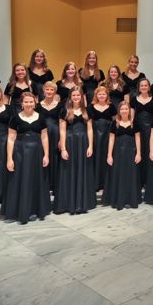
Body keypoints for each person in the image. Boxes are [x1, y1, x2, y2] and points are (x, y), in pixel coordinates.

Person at [2, 92, 50, 224]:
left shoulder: (41, 117)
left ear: (35, 103)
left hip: (36, 153)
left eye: (31, 102)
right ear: (22, 103)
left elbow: (44, 137)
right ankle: (19, 211)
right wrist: (9, 158)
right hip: (20, 153)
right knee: (20, 181)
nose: (29, 104)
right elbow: (11, 139)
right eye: (26, 102)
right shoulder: (15, 118)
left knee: (35, 180)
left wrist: (46, 154)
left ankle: (34, 210)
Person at [53, 86, 96, 214]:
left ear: (82, 96)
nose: (76, 97)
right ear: (70, 97)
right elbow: (62, 130)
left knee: (83, 170)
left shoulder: (87, 110)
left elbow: (90, 129)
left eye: (78, 95)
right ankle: (68, 203)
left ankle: (82, 203)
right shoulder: (64, 110)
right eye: (74, 95)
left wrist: (90, 146)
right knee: (69, 171)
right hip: (70, 143)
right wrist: (64, 148)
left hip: (83, 143)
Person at [104, 101, 141, 210]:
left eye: (126, 109)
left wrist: (138, 153)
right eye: (122, 109)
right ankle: (118, 199)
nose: (124, 111)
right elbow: (111, 139)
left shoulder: (134, 122)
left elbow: (138, 138)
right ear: (119, 111)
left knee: (131, 174)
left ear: (129, 110)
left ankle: (131, 199)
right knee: (118, 174)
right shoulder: (114, 123)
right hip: (118, 152)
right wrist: (109, 155)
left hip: (131, 152)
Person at [88, 86, 117, 191]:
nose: (101, 96)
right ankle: (96, 183)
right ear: (96, 95)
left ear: (107, 95)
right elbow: (89, 122)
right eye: (99, 94)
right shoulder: (90, 107)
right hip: (95, 134)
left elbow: (115, 121)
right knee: (96, 156)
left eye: (104, 94)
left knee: (107, 155)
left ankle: (106, 182)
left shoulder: (112, 106)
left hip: (108, 134)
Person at [131, 78, 153, 187]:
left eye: (146, 85)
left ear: (148, 87)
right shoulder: (134, 99)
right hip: (138, 129)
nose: (143, 87)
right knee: (138, 152)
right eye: (141, 85)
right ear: (139, 87)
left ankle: (149, 180)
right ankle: (138, 180)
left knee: (149, 152)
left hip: (150, 129)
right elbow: (132, 117)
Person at [36, 81, 62, 192]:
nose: (49, 91)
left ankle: (55, 184)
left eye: (52, 90)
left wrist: (61, 138)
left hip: (56, 133)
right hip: (42, 134)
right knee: (43, 156)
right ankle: (44, 185)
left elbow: (62, 122)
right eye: (47, 89)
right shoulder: (37, 105)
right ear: (44, 91)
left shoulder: (61, 105)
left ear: (55, 91)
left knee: (55, 157)